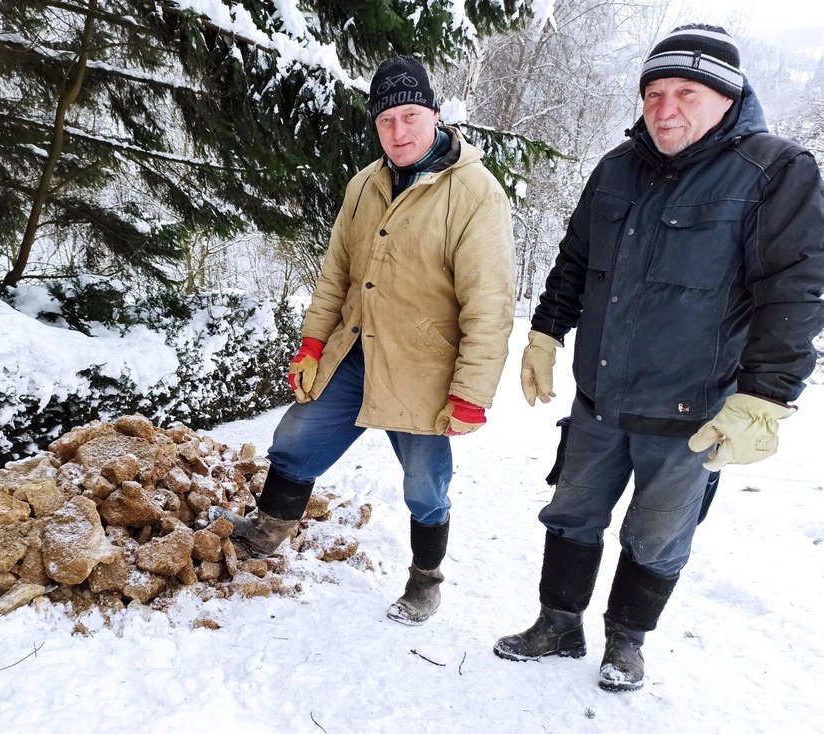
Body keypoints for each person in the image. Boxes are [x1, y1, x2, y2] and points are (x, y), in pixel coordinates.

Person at [493, 24, 824, 692]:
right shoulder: (617, 168)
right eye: (653, 93)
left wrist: (766, 393)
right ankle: (557, 624)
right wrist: (547, 331)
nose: (664, 108)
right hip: (600, 400)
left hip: (691, 411)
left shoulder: (774, 169)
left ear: (727, 98)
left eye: (686, 92)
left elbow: (795, 285)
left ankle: (626, 643)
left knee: (657, 536)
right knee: (571, 515)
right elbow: (576, 259)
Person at [212, 55, 516, 625]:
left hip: (423, 367)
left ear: (433, 113)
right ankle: (268, 533)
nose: (397, 132)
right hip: (353, 349)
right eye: (385, 121)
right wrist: (311, 344)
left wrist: (471, 391)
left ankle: (426, 582)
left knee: (426, 483)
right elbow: (336, 275)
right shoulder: (365, 184)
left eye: (409, 116)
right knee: (295, 440)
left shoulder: (475, 193)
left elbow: (490, 305)